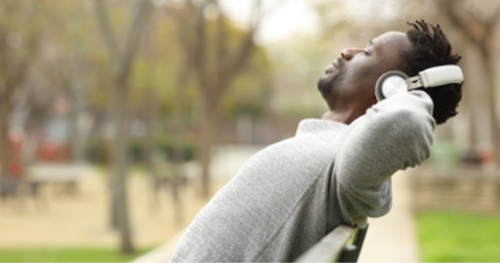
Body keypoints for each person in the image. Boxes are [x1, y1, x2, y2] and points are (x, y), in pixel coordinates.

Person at [171, 19, 463, 262]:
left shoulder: (350, 164)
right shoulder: (333, 150)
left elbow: (406, 123)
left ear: (390, 88)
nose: (348, 51)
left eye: (367, 52)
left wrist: (412, 91)